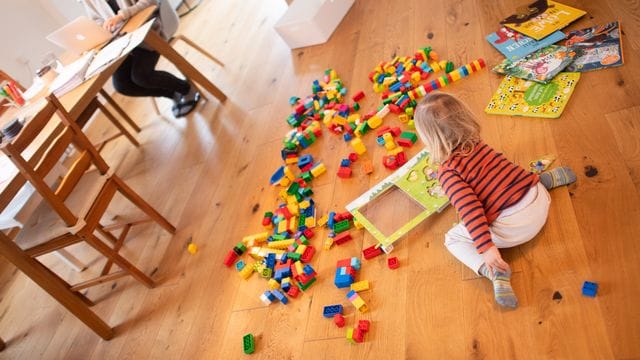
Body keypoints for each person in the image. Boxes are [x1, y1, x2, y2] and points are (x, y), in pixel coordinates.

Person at [414, 92, 576, 309]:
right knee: (508, 177)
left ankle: (493, 272)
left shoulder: (448, 172)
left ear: (429, 140)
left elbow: (471, 211)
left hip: (516, 229)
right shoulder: (476, 143)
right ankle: (546, 180)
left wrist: (487, 249)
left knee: (452, 239)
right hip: (537, 197)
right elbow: (504, 169)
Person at [82, 0, 200, 117]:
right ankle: (173, 93)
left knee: (141, 76)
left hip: (149, 29)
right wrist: (102, 29)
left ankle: (186, 89)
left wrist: (122, 15)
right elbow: (96, 20)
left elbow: (150, 1)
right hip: (124, 41)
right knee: (122, 85)